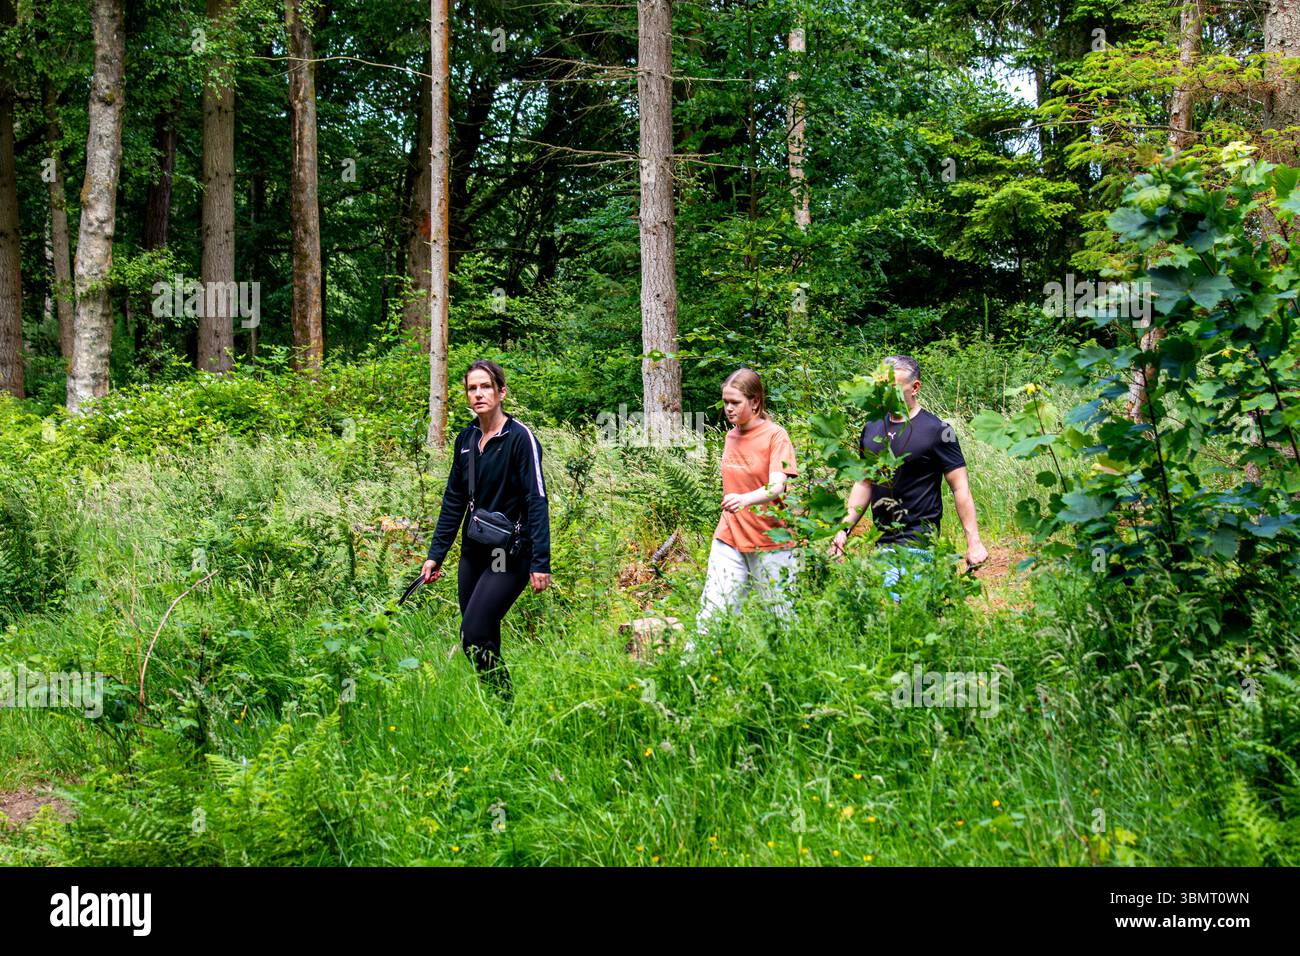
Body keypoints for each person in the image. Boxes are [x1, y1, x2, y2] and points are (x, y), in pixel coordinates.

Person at [422, 360, 550, 700]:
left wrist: (541, 561)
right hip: (474, 552)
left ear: (501, 392)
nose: (478, 394)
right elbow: (454, 500)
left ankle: (505, 703)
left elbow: (537, 500)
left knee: (474, 631)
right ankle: (500, 709)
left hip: (507, 554)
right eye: (472, 388)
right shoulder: (466, 440)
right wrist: (436, 555)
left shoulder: (520, 438)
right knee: (479, 638)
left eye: (485, 387)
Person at [828, 354, 988, 596]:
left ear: (915, 388)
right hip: (883, 541)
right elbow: (864, 482)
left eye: (893, 388)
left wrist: (973, 541)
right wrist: (843, 529)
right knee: (892, 618)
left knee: (914, 614)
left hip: (919, 541)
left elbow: (960, 488)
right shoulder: (872, 428)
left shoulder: (938, 431)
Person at [694, 368, 801, 642]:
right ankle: (689, 674)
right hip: (729, 536)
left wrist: (745, 499)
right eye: (726, 402)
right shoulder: (730, 436)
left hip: (770, 540)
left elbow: (777, 486)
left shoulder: (776, 436)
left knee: (782, 619)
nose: (728, 408)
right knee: (712, 615)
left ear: (755, 402)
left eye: (735, 403)